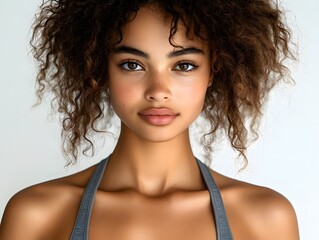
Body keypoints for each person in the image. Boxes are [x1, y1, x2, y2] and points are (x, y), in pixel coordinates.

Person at [0, 0, 299, 239]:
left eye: (183, 65)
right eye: (132, 64)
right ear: (99, 69)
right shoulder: (35, 215)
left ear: (215, 70)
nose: (158, 91)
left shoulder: (267, 220)